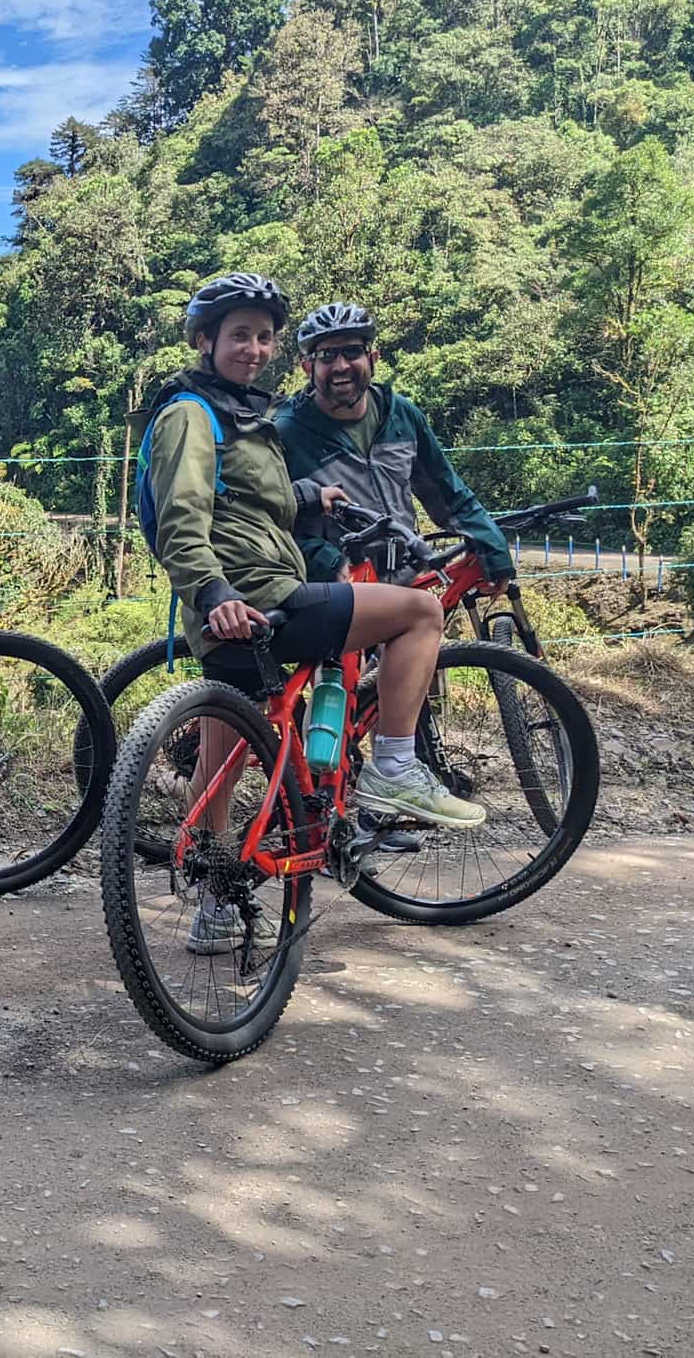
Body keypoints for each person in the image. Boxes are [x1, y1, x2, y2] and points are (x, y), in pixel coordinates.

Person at [143, 273, 485, 954]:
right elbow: (183, 517)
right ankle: (393, 766)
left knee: (222, 763)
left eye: (264, 336)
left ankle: (213, 909)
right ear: (205, 340)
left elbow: (241, 498)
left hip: (235, 616)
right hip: (256, 599)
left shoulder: (236, 412)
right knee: (418, 611)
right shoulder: (191, 413)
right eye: (240, 335)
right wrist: (215, 594)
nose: (254, 348)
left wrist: (305, 497)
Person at [274, 301, 514, 588]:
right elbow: (270, 522)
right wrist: (327, 562)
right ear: (308, 367)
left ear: (373, 357)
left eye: (352, 352)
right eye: (327, 356)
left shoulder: (401, 415)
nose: (341, 366)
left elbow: (448, 494)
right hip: (340, 591)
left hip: (410, 575)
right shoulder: (286, 431)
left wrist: (495, 553)